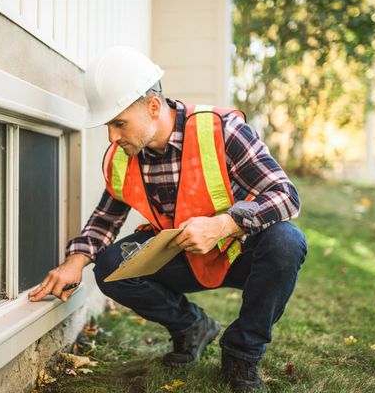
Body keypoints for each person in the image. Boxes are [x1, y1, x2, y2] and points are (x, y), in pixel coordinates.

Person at [29, 46, 307, 392]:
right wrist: (76, 260)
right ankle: (192, 326)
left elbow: (285, 195)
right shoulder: (123, 156)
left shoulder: (222, 131)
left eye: (119, 123)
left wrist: (223, 225)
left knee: (287, 241)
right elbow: (106, 218)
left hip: (238, 250)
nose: (112, 137)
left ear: (153, 107)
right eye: (108, 125)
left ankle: (242, 353)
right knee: (111, 267)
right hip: (182, 255)